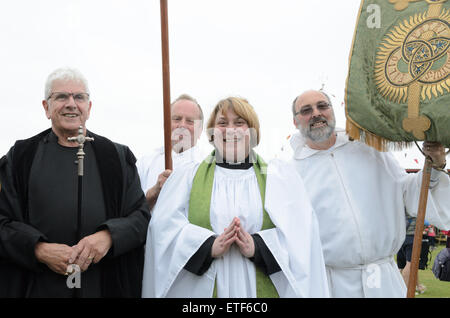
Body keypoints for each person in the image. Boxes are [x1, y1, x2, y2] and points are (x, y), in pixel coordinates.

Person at [142, 97, 329, 297]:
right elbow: (163, 228)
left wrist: (258, 247)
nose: (230, 130)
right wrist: (207, 246)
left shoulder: (279, 176)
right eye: (222, 123)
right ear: (212, 133)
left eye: (239, 123)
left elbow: (302, 232)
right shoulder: (187, 176)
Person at [0, 67, 150, 297]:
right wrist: (38, 249)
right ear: (46, 107)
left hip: (101, 286)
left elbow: (140, 218)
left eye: (79, 97)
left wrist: (109, 237)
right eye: (61, 96)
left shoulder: (116, 157)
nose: (71, 103)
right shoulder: (20, 157)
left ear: (89, 107)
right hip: (38, 286)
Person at [289, 89, 450, 297]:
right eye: (306, 110)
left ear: (332, 111)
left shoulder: (369, 150)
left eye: (322, 106)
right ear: (295, 121)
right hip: (333, 285)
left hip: (385, 282)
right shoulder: (291, 173)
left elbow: (409, 192)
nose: (316, 114)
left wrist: (434, 166)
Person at [136, 94, 205, 211]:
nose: (182, 125)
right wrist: (154, 191)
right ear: (166, 125)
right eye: (177, 119)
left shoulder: (208, 167)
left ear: (200, 130)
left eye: (190, 121)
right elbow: (129, 208)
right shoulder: (145, 163)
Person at [396, 217, 430, 295]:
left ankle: (418, 286)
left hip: (401, 238)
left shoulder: (402, 210)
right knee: (410, 265)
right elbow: (427, 222)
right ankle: (406, 290)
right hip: (412, 238)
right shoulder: (414, 209)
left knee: (404, 266)